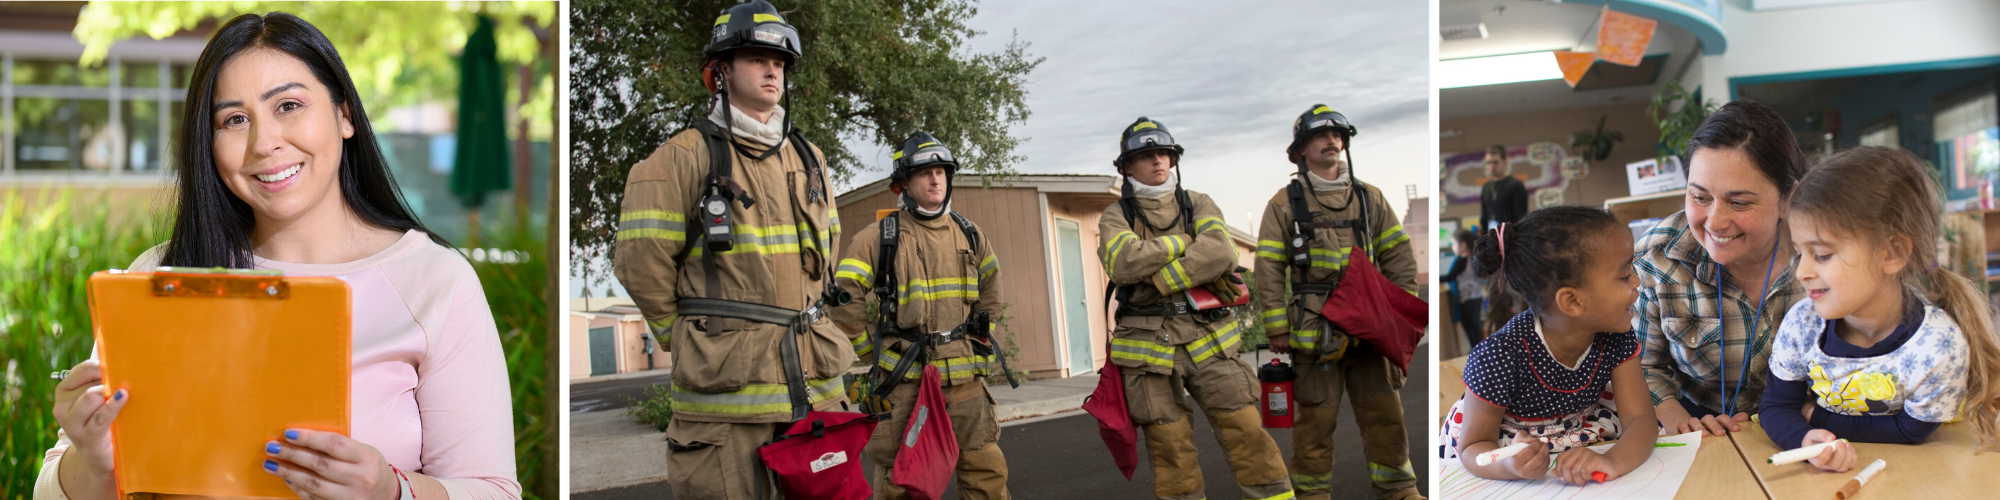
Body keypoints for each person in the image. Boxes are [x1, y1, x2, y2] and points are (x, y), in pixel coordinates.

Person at [37, 12, 518, 500]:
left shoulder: (436, 281)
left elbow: (495, 491)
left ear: (345, 115)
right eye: (234, 119)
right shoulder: (162, 275)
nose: (264, 143)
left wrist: (391, 492)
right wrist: (96, 461)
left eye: (288, 105)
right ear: (209, 143)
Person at [611, 1, 851, 497]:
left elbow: (827, 252)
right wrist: (686, 338)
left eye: (780, 63)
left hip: (815, 387)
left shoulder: (812, 159)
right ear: (721, 70)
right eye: (757, 58)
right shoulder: (678, 159)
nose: (772, 70)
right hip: (725, 402)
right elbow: (640, 262)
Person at [1757, 147, 2000, 471]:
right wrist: (1805, 438)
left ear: (1891, 253)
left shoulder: (1939, 346)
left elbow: (1911, 431)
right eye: (1800, 253)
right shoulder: (1802, 324)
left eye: (1823, 255)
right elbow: (1775, 406)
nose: (1802, 272)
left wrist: (1814, 415)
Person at [1098, 117, 1292, 500]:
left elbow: (1221, 252)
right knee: (1171, 451)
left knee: (1248, 434)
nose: (1158, 162)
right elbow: (1124, 263)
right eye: (1146, 156)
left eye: (1164, 154)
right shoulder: (1115, 216)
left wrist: (1161, 278)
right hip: (1147, 354)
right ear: (1126, 167)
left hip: (1211, 343)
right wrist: (1185, 240)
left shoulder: (1197, 202)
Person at [1253, 105, 1421, 500]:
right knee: (1315, 421)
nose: (1332, 141)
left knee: (1386, 416)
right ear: (1300, 151)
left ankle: (1398, 490)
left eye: (1337, 135)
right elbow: (1268, 268)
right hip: (1315, 329)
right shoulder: (1283, 204)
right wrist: (1277, 327)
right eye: (1320, 136)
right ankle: (1312, 495)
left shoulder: (1370, 197)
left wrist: (1400, 315)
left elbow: (1399, 258)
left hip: (1371, 326)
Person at [832, 132, 1011, 498]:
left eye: (942, 172)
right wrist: (871, 352)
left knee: (985, 472)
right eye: (924, 172)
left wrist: (979, 335)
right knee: (903, 480)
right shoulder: (878, 238)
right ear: (904, 184)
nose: (935, 180)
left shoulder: (970, 234)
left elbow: (992, 285)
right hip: (905, 382)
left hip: (964, 381)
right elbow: (843, 299)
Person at [1439, 206, 1660, 484]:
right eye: (1624, 275)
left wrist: (1612, 461)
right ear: (1572, 302)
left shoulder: (1616, 334)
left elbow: (1642, 421)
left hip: (1580, 434)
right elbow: (1473, 448)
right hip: (1505, 454)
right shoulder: (1500, 355)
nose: (1637, 281)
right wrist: (1509, 466)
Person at [1634, 100, 1809, 437]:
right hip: (1700, 425)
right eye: (1700, 197)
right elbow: (1644, 366)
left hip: (1810, 424)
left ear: (1787, 198)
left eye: (1740, 202)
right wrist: (1682, 423)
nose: (1715, 222)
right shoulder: (1660, 256)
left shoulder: (1824, 252)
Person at [1477, 144, 1528, 334]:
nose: (1492, 166)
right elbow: (1483, 218)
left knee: (1518, 294)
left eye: (1495, 162)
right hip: (1493, 247)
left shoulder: (1515, 185)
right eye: (1488, 163)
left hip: (1513, 244)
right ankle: (1499, 334)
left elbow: (1521, 218)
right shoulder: (1486, 188)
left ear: (1505, 162)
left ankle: (1524, 331)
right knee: (1494, 295)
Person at [1439, 229, 1487, 347]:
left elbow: (1449, 277)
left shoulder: (1461, 260)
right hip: (1476, 297)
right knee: (1475, 328)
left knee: (1472, 330)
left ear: (1463, 245)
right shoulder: (1473, 258)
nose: (1452, 247)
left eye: (1453, 244)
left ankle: (1476, 354)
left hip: (1467, 299)